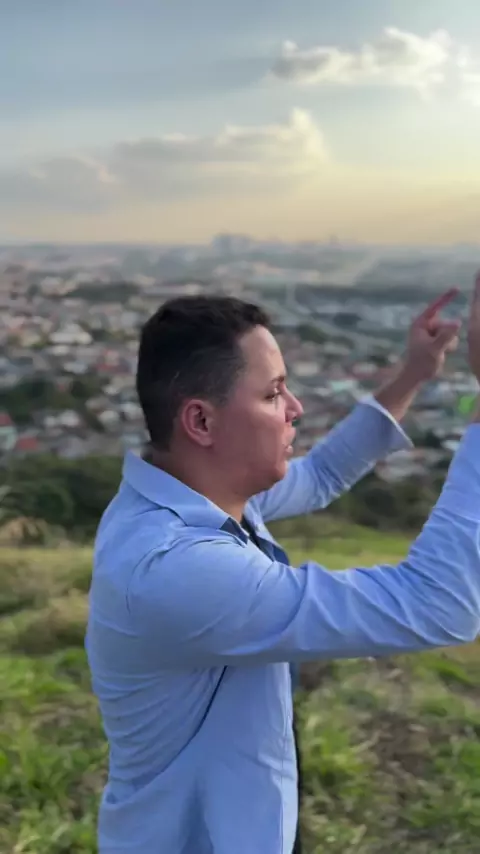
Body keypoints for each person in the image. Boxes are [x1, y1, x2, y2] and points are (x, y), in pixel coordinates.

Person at [86, 276, 480, 854]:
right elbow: (438, 605)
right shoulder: (174, 568)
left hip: (242, 818)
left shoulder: (191, 495)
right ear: (201, 422)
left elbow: (320, 475)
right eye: (273, 394)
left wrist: (414, 373)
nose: (295, 408)